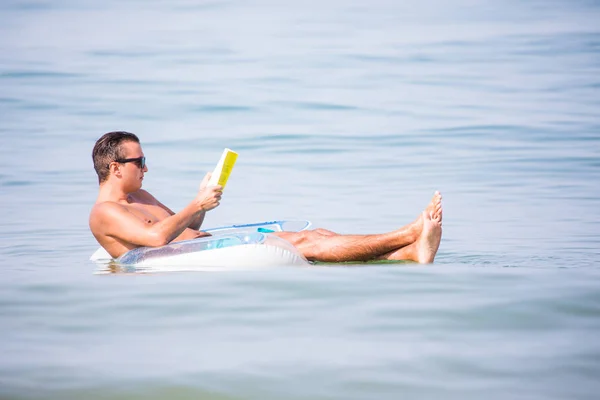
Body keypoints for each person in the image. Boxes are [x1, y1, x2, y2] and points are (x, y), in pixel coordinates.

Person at [89, 131, 443, 264]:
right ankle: (408, 234)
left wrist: (201, 201)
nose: (146, 168)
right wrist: (196, 205)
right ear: (115, 167)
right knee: (307, 243)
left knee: (317, 235)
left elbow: (183, 226)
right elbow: (154, 238)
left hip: (208, 243)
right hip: (201, 256)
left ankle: (410, 252)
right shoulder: (104, 212)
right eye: (140, 161)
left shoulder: (142, 195)